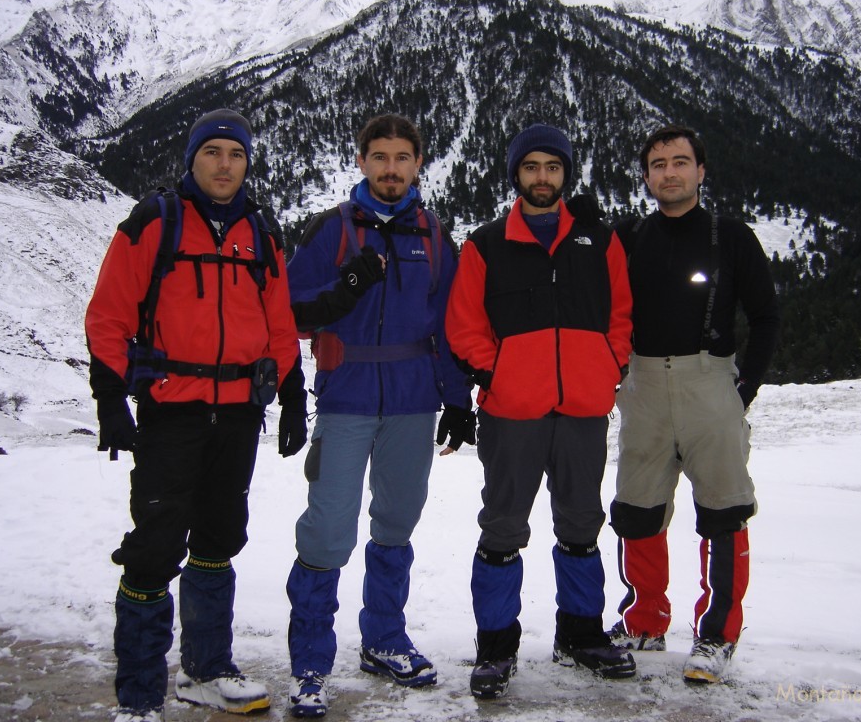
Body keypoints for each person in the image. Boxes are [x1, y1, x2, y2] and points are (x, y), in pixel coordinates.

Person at [85, 108, 309, 722]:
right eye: (212, 152)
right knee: (155, 546)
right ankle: (138, 691)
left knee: (218, 538)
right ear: (193, 159)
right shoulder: (155, 223)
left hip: (238, 412)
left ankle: (207, 672)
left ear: (246, 163)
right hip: (172, 411)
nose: (224, 164)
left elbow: (279, 324)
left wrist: (291, 395)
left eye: (235, 154)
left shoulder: (260, 232)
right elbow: (109, 315)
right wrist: (110, 394)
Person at [284, 113, 474, 718]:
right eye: (380, 157)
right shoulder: (332, 231)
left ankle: (384, 640)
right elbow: (289, 311)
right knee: (328, 526)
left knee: (396, 520)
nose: (391, 169)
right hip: (347, 396)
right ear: (362, 161)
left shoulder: (435, 236)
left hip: (413, 401)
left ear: (420, 163)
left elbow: (449, 324)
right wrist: (343, 286)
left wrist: (457, 400)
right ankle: (311, 660)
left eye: (403, 158)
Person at [445, 124, 636, 700]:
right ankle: (495, 648)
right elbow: (464, 324)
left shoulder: (600, 242)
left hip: (583, 408)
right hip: (512, 411)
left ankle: (580, 635)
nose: (542, 178)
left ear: (565, 174)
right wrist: (497, 372)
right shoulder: (486, 244)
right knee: (503, 527)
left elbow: (621, 316)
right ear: (516, 175)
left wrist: (609, 364)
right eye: (531, 167)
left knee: (581, 523)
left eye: (553, 167)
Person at [607, 124, 780, 684]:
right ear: (647, 176)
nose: (670, 173)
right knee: (637, 508)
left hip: (711, 383)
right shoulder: (628, 236)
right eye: (658, 165)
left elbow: (766, 317)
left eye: (680, 162)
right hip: (644, 384)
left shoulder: (730, 236)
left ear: (701, 172)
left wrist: (744, 388)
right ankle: (645, 619)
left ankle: (717, 635)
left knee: (724, 509)